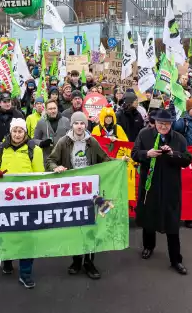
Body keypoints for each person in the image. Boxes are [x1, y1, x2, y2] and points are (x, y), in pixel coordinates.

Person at [47, 111, 113, 280]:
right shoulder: (64, 142)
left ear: (86, 125)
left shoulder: (92, 142)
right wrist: (56, 167)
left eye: (82, 123)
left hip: (91, 193)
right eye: (76, 123)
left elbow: (105, 159)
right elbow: (50, 160)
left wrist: (119, 163)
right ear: (72, 125)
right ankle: (76, 261)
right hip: (72, 192)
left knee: (91, 227)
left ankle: (89, 263)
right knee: (75, 227)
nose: (79, 126)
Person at [132, 109, 191, 275]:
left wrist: (173, 154)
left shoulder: (179, 139)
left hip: (170, 188)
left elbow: (187, 160)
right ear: (154, 123)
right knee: (149, 217)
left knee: (172, 223)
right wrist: (147, 154)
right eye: (160, 123)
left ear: (171, 124)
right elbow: (134, 154)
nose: (163, 126)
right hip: (150, 186)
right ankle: (148, 246)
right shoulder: (144, 135)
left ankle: (175, 259)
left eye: (166, 124)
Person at [0, 118, 45, 288]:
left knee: (27, 236)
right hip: (5, 199)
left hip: (27, 200)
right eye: (15, 131)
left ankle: (25, 273)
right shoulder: (0, 148)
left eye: (21, 131)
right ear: (10, 132)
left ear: (25, 132)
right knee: (6, 231)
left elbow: (39, 174)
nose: (18, 134)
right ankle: (7, 259)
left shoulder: (34, 149)